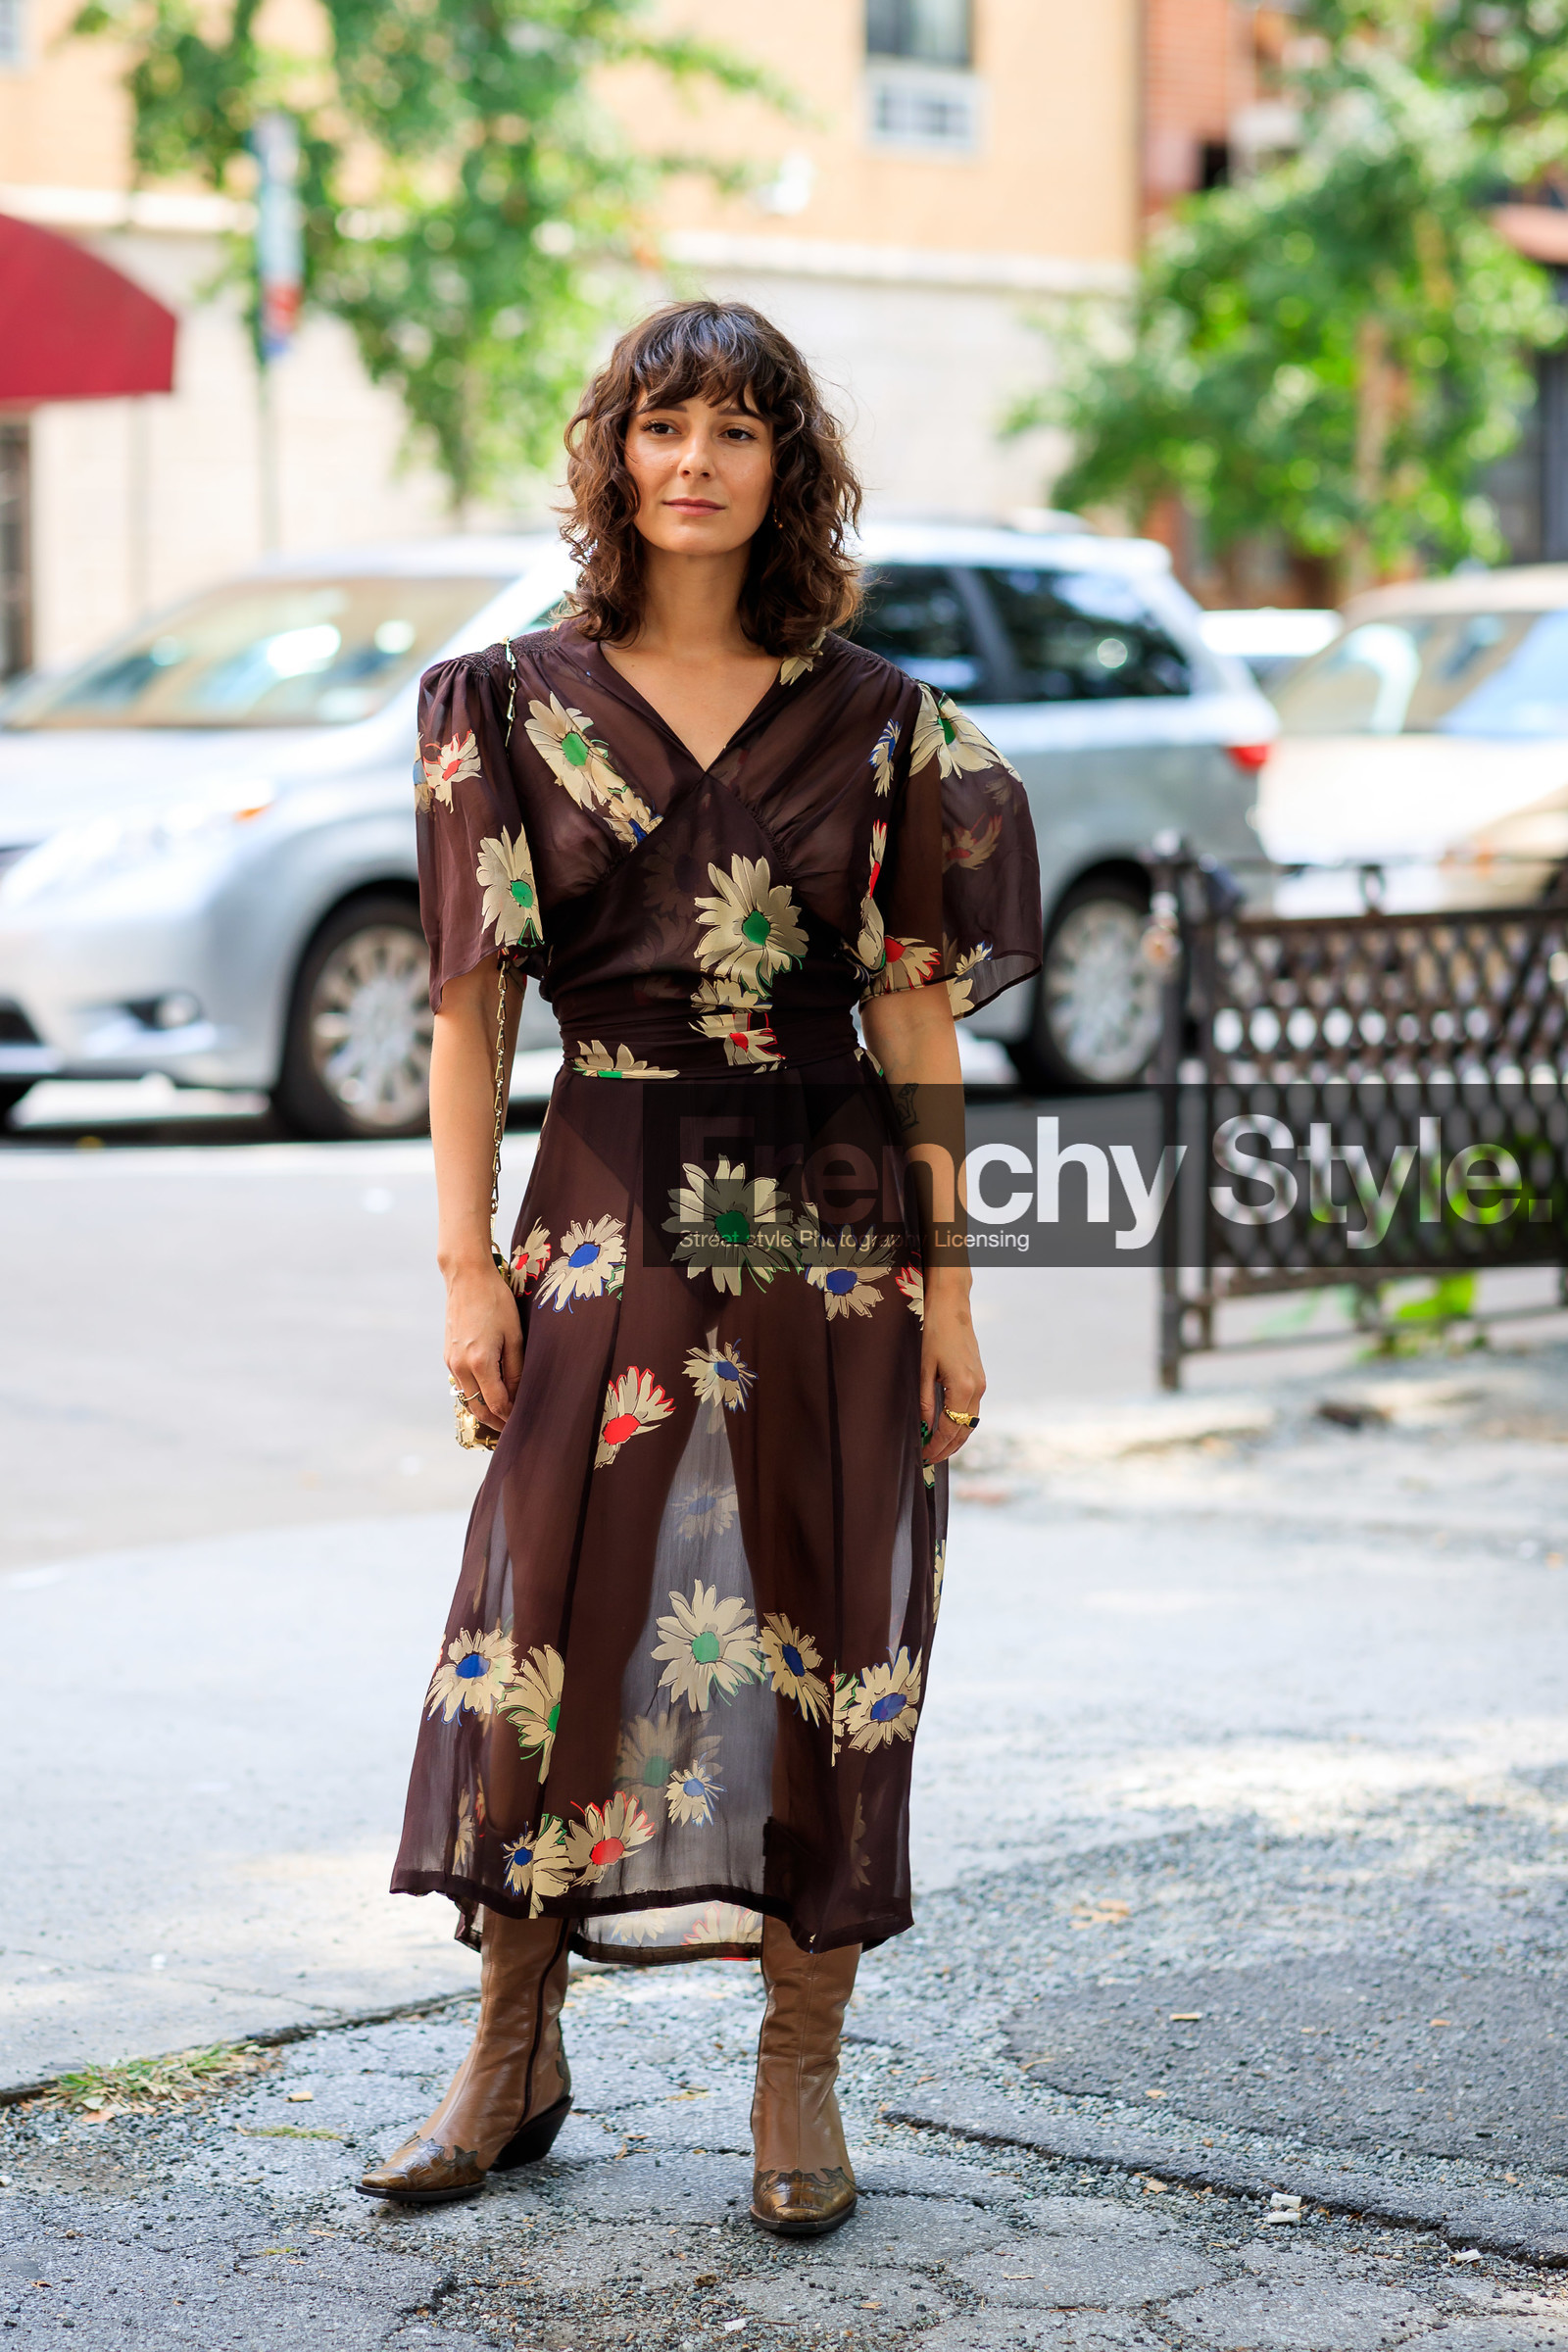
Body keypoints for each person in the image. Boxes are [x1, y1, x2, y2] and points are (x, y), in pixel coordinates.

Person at [358, 300, 1042, 2235]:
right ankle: (511, 2043)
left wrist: (955, 1292)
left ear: (784, 473)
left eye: (735, 431)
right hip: (597, 1190)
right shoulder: (496, 704)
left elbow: (919, 1025)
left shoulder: (882, 722)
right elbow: (468, 1015)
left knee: (831, 1601)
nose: (692, 460)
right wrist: (462, 1269)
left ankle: (795, 2069)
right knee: (553, 1602)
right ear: (613, 455)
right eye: (661, 423)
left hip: (829, 1205)